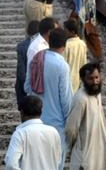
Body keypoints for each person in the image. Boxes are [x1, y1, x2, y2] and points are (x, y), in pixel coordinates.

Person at [25, 28, 72, 165]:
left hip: (34, 120)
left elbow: (27, 87)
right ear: (64, 45)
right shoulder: (62, 66)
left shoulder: (36, 58)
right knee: (55, 163)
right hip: (56, 124)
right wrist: (69, 122)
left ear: (48, 41)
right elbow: (66, 99)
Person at [66, 62, 106, 170]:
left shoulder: (97, 94)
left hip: (100, 149)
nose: (95, 81)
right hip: (85, 152)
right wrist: (73, 146)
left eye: (97, 77)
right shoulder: (81, 99)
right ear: (83, 79)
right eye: (90, 78)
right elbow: (71, 129)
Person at [4, 95, 62, 170]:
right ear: (41, 112)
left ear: (22, 113)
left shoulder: (20, 134)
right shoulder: (54, 132)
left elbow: (11, 165)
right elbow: (58, 160)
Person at [16, 20, 40, 111]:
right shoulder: (44, 45)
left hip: (24, 87)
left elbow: (20, 71)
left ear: (27, 31)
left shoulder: (22, 46)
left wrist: (26, 87)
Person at [63, 18, 88, 92]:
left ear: (72, 32)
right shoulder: (83, 44)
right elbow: (84, 63)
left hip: (67, 79)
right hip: (77, 79)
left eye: (66, 31)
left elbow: (63, 64)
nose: (64, 32)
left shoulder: (67, 45)